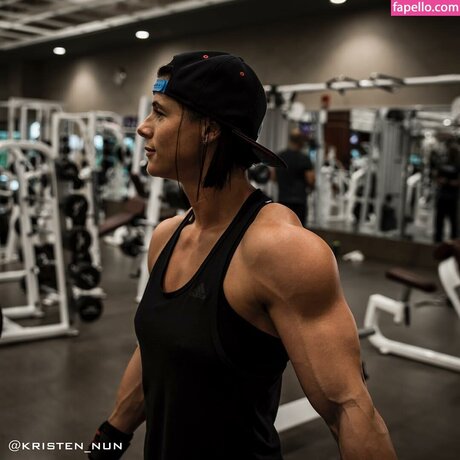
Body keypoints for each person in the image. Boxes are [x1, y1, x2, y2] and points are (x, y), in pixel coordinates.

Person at [88, 51, 397, 460]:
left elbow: (348, 410)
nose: (144, 127)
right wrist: (110, 437)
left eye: (160, 113)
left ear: (210, 129)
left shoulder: (282, 250)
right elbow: (157, 351)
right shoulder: (167, 236)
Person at [273, 128, 315, 226]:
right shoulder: (304, 158)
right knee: (298, 229)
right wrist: (312, 186)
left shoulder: (280, 156)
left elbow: (273, 177)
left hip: (283, 200)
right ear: (301, 141)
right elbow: (310, 180)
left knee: (283, 228)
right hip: (299, 202)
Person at [433, 144, 460, 242]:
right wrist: (443, 181)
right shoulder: (443, 164)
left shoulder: (458, 165)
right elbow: (437, 177)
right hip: (443, 196)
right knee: (439, 221)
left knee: (453, 222)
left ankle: (454, 243)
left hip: (452, 197)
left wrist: (451, 183)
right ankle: (438, 241)